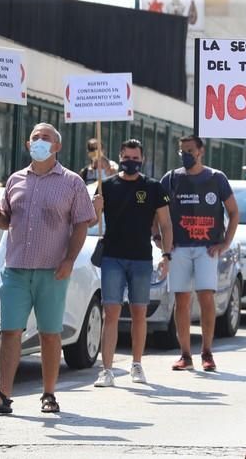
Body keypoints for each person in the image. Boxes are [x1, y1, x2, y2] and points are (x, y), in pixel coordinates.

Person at [0, 123, 95, 414]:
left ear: (57, 146)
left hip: (52, 270)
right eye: (35, 137)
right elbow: (8, 221)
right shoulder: (15, 180)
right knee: (9, 331)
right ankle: (3, 395)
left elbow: (82, 223)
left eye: (46, 138)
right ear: (27, 143)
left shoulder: (72, 182)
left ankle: (48, 394)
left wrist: (69, 260)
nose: (40, 141)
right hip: (16, 268)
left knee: (49, 333)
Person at [91, 139, 173, 387]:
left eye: (136, 159)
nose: (131, 163)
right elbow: (91, 222)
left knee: (139, 312)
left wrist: (167, 255)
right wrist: (96, 208)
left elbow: (166, 223)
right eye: (127, 158)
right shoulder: (106, 186)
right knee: (111, 312)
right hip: (112, 256)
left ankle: (137, 364)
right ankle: (106, 370)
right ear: (120, 157)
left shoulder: (153, 187)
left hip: (141, 258)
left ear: (143, 160)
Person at [161, 135, 239, 372]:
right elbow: (158, 212)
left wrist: (225, 243)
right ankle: (185, 355)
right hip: (179, 248)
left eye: (190, 150)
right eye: (182, 150)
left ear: (201, 151)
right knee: (181, 301)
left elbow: (233, 211)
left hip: (207, 248)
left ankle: (207, 351)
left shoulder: (216, 178)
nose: (186, 154)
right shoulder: (171, 178)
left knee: (206, 298)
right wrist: (159, 239)